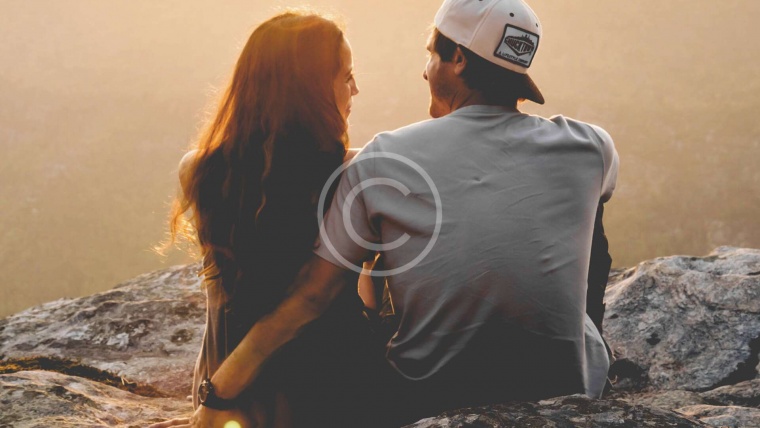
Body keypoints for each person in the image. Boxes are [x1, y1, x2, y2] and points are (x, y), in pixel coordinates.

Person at [173, 0, 620, 426]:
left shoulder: (384, 160)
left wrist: (219, 391)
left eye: (431, 54)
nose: (424, 70)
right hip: (567, 387)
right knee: (587, 213)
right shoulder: (591, 147)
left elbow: (312, 296)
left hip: (426, 397)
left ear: (458, 59)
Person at [149, 10, 390, 428]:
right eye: (347, 76)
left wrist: (212, 396)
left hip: (227, 388)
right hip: (332, 393)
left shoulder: (198, 171)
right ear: (310, 91)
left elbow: (219, 303)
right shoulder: (354, 174)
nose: (356, 89)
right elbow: (340, 297)